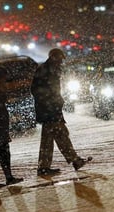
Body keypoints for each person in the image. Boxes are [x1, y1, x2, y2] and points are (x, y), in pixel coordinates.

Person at [31, 48, 88, 176]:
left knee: (52, 137)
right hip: (49, 110)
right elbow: (39, 90)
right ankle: (74, 160)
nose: (61, 62)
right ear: (53, 57)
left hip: (50, 109)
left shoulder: (48, 69)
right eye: (60, 59)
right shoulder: (46, 70)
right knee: (60, 135)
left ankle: (44, 166)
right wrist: (51, 102)